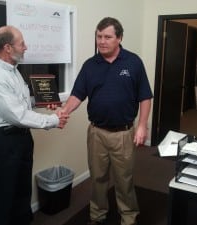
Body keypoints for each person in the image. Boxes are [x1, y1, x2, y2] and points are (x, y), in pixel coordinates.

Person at [60, 17, 153, 225]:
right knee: (98, 179)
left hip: (123, 133)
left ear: (119, 38)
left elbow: (145, 96)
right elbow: (77, 95)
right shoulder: (90, 65)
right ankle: (98, 215)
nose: (102, 41)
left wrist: (142, 125)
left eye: (107, 37)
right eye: (99, 36)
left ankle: (128, 216)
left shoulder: (133, 62)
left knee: (124, 180)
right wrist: (64, 111)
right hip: (97, 133)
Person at [0, 25, 68, 225]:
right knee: (3, 197)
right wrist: (53, 120)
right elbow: (16, 115)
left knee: (22, 192)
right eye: (22, 43)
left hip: (21, 138)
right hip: (3, 142)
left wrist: (44, 102)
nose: (26, 47)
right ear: (8, 48)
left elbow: (21, 104)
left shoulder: (14, 71)